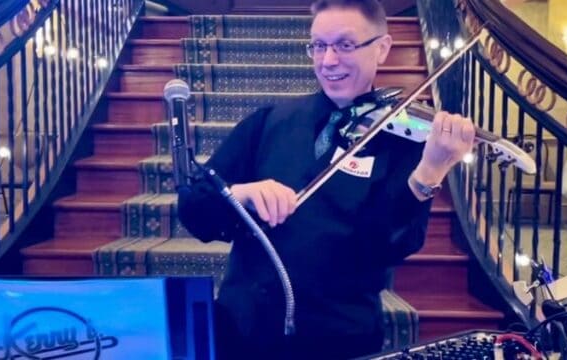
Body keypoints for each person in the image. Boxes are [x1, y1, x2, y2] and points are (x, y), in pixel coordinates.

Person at [177, 0, 475, 358]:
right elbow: (193, 208)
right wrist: (240, 194)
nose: (328, 60)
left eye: (345, 45)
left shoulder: (406, 142)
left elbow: (389, 246)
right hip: (243, 329)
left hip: (339, 337)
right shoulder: (268, 121)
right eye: (319, 45)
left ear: (382, 48)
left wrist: (431, 171)